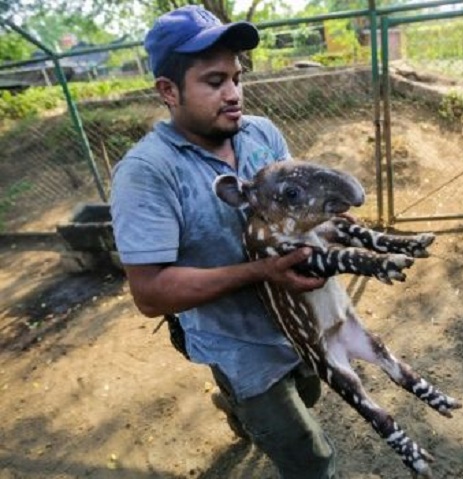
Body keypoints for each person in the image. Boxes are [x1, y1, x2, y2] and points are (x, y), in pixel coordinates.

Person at [109, 5, 336, 478]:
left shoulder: (262, 134)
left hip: (295, 323)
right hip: (237, 344)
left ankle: (236, 409)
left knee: (310, 393)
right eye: (214, 82)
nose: (234, 94)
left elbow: (292, 213)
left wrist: (324, 224)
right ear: (168, 91)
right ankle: (242, 400)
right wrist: (261, 271)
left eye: (237, 78)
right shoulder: (147, 173)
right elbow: (150, 294)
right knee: (311, 458)